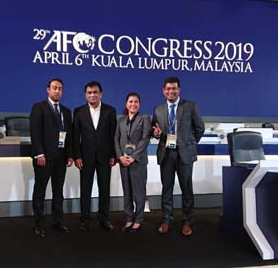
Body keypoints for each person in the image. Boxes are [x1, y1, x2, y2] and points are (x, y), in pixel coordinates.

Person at [152, 76, 205, 236]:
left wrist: (188, 144)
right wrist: (155, 134)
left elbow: (199, 128)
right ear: (163, 91)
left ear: (179, 90)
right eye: (168, 89)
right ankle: (166, 219)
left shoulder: (190, 106)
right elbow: (155, 131)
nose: (171, 91)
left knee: (186, 189)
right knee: (166, 188)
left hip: (184, 154)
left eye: (174, 88)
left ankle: (187, 221)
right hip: (166, 153)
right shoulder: (158, 109)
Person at [29, 78, 74, 237]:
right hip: (44, 158)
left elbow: (69, 136)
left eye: (60, 89)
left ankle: (58, 221)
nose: (57, 91)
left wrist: (69, 155)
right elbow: (35, 132)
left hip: (61, 158)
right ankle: (39, 224)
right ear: (48, 89)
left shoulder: (66, 112)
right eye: (54, 88)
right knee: (40, 190)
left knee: (58, 191)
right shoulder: (39, 107)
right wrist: (39, 153)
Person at [73, 81, 117, 232]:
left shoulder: (110, 111)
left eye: (95, 92)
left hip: (105, 157)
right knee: (85, 189)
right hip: (85, 157)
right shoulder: (78, 111)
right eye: (89, 92)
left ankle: (104, 218)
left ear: (101, 94)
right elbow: (75, 136)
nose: (92, 95)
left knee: (104, 189)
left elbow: (113, 135)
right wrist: (77, 156)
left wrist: (113, 155)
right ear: (86, 95)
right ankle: (85, 219)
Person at [114, 92, 152, 233]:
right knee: (127, 191)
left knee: (139, 192)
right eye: (130, 101)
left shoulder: (144, 118)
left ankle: (139, 219)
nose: (133, 104)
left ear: (139, 104)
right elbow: (116, 139)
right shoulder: (121, 120)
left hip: (138, 161)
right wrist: (120, 156)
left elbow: (145, 139)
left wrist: (133, 157)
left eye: (136, 102)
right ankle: (129, 218)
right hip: (124, 161)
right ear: (126, 104)